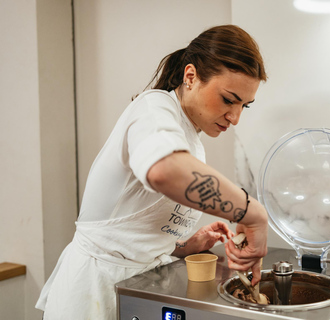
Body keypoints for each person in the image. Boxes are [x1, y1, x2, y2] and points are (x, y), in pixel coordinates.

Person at [36, 24, 269, 319]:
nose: (235, 117)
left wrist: (183, 245)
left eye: (244, 106)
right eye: (228, 99)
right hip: (95, 292)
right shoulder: (153, 108)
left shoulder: (190, 138)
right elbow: (166, 172)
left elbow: (131, 238)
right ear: (190, 76)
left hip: (136, 286)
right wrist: (252, 213)